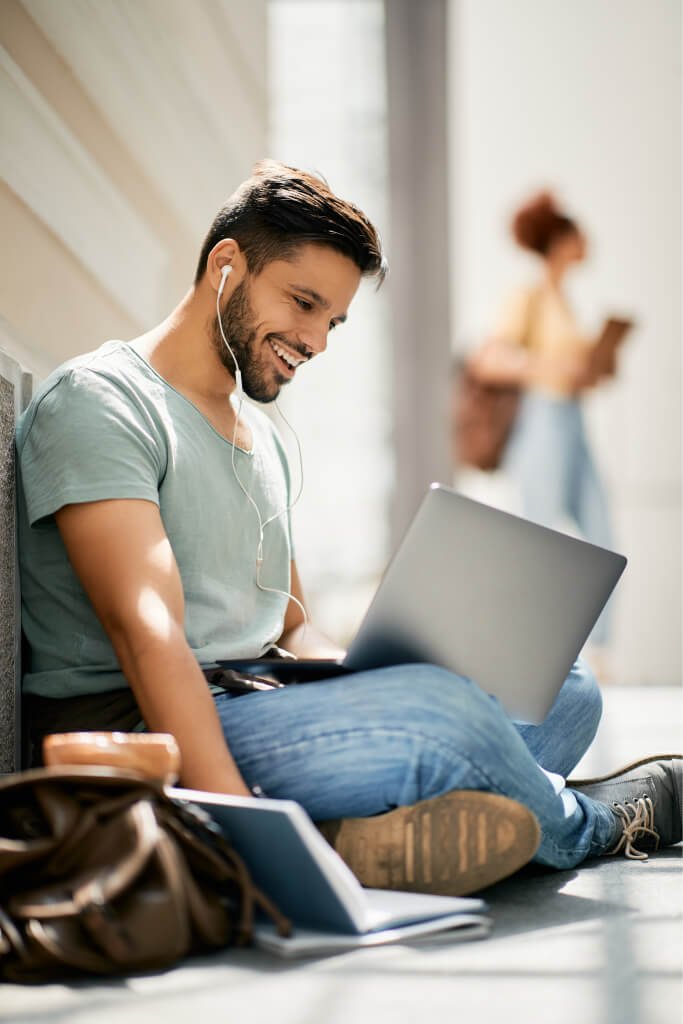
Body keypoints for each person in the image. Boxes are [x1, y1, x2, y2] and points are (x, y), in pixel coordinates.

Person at [16, 162, 681, 897]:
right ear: (226, 265)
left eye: (331, 321)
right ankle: (590, 825)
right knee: (443, 716)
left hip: (257, 698)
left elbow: (293, 625)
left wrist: (372, 671)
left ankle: (363, 837)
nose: (316, 341)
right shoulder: (103, 402)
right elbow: (148, 634)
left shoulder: (258, 434)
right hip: (147, 730)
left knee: (565, 688)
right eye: (302, 303)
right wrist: (240, 840)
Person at [471, 192, 619, 661]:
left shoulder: (563, 299)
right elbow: (490, 359)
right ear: (560, 240)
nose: (587, 242)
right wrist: (551, 366)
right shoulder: (528, 295)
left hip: (572, 418)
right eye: (578, 234)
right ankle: (532, 652)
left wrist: (591, 368)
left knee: (601, 534)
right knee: (543, 539)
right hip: (543, 420)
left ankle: (595, 652)